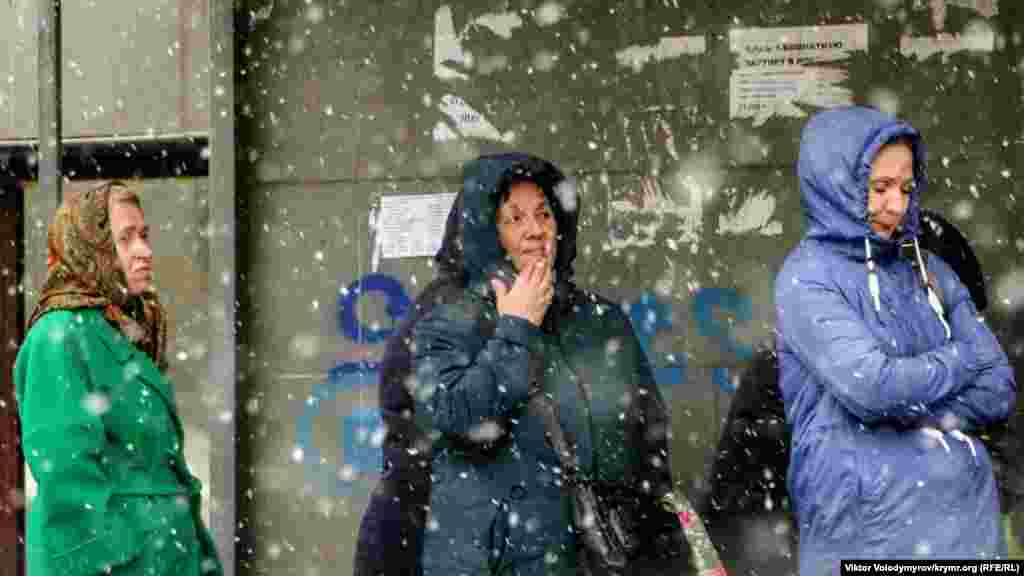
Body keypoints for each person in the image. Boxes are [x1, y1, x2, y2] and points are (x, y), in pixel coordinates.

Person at [354, 153, 688, 575]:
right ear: (486, 231)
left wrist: (663, 546)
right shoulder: (442, 316)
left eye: (544, 214)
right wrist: (517, 326)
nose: (534, 229)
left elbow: (647, 445)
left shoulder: (600, 320)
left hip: (595, 561)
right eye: (514, 218)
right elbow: (456, 422)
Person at [774, 106, 1016, 574]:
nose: (897, 206)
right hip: (870, 536)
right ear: (836, 185)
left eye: (906, 189)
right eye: (879, 187)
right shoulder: (807, 279)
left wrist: (905, 408)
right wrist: (960, 362)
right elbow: (873, 388)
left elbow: (998, 388)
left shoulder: (931, 270)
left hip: (969, 535)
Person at [14, 182, 223, 576]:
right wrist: (115, 554)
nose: (144, 251)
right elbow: (67, 476)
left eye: (144, 235)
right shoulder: (60, 335)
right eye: (125, 238)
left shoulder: (123, 328)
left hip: (165, 558)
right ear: (89, 246)